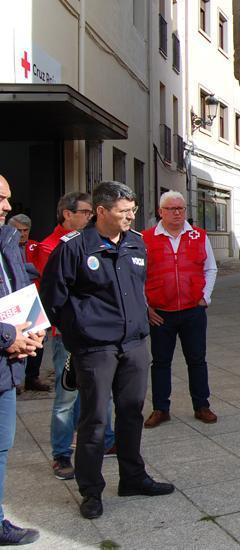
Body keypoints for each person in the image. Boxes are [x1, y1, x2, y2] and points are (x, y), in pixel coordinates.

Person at [40, 182, 174, 520]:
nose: (131, 216)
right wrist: (80, 334)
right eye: (123, 211)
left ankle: (132, 477)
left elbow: (137, 290)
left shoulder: (136, 243)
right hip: (95, 349)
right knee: (94, 420)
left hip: (132, 346)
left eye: (133, 210)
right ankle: (91, 490)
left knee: (130, 413)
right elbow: (53, 300)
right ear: (101, 211)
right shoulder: (73, 247)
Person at [35, 192, 116, 481]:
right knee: (67, 394)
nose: (89, 217)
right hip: (67, 334)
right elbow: (59, 293)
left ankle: (105, 440)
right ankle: (61, 454)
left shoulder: (92, 242)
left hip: (94, 333)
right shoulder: (51, 247)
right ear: (67, 214)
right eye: (83, 212)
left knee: (97, 391)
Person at [143, 191, 218, 427]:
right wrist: (146, 307)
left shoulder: (199, 236)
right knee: (160, 362)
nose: (177, 213)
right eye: (171, 209)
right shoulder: (146, 238)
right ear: (160, 211)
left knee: (197, 360)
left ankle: (202, 405)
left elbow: (210, 268)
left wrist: (205, 297)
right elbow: (137, 275)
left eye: (181, 209)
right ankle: (160, 408)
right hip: (161, 313)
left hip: (192, 311)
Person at [0, 176, 44, 545]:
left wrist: (36, 329)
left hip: (6, 367)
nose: (7, 207)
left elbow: (20, 288)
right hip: (6, 347)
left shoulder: (8, 241)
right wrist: (9, 337)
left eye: (8, 199)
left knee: (2, 445)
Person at [8, 214, 48, 394]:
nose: (22, 234)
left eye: (25, 230)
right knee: (13, 339)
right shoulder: (6, 246)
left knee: (36, 339)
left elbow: (40, 270)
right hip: (11, 300)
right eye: (18, 230)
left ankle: (32, 377)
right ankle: (14, 380)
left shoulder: (35, 246)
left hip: (33, 298)